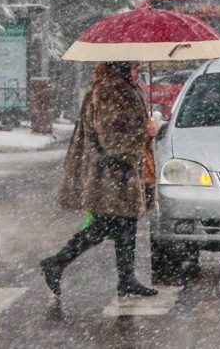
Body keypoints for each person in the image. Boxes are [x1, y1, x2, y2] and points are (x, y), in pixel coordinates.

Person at [40, 61, 160, 298]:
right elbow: (112, 140)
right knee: (107, 225)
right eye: (134, 67)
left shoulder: (123, 88)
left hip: (121, 174)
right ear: (121, 67)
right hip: (109, 175)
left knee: (124, 224)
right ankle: (57, 262)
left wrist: (146, 131)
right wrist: (143, 133)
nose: (138, 72)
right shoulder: (108, 91)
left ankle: (126, 279)